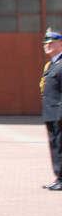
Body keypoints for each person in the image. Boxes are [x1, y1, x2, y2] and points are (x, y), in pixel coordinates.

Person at [41, 28, 62, 191]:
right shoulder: (52, 64)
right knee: (55, 146)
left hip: (59, 114)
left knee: (60, 146)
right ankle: (58, 177)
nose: (47, 46)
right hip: (51, 113)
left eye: (51, 43)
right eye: (46, 43)